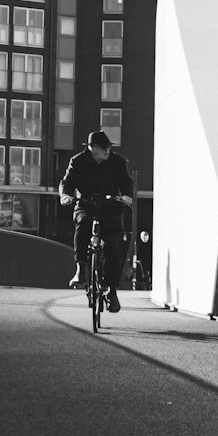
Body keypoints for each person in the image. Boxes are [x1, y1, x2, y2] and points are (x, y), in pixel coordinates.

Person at [59, 130, 133, 313]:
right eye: (103, 147)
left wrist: (126, 196)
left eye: (109, 146)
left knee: (114, 246)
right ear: (91, 148)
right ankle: (80, 270)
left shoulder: (118, 162)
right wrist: (65, 196)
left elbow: (126, 182)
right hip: (85, 204)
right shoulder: (77, 161)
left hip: (111, 207)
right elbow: (66, 182)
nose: (107, 150)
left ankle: (112, 291)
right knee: (82, 225)